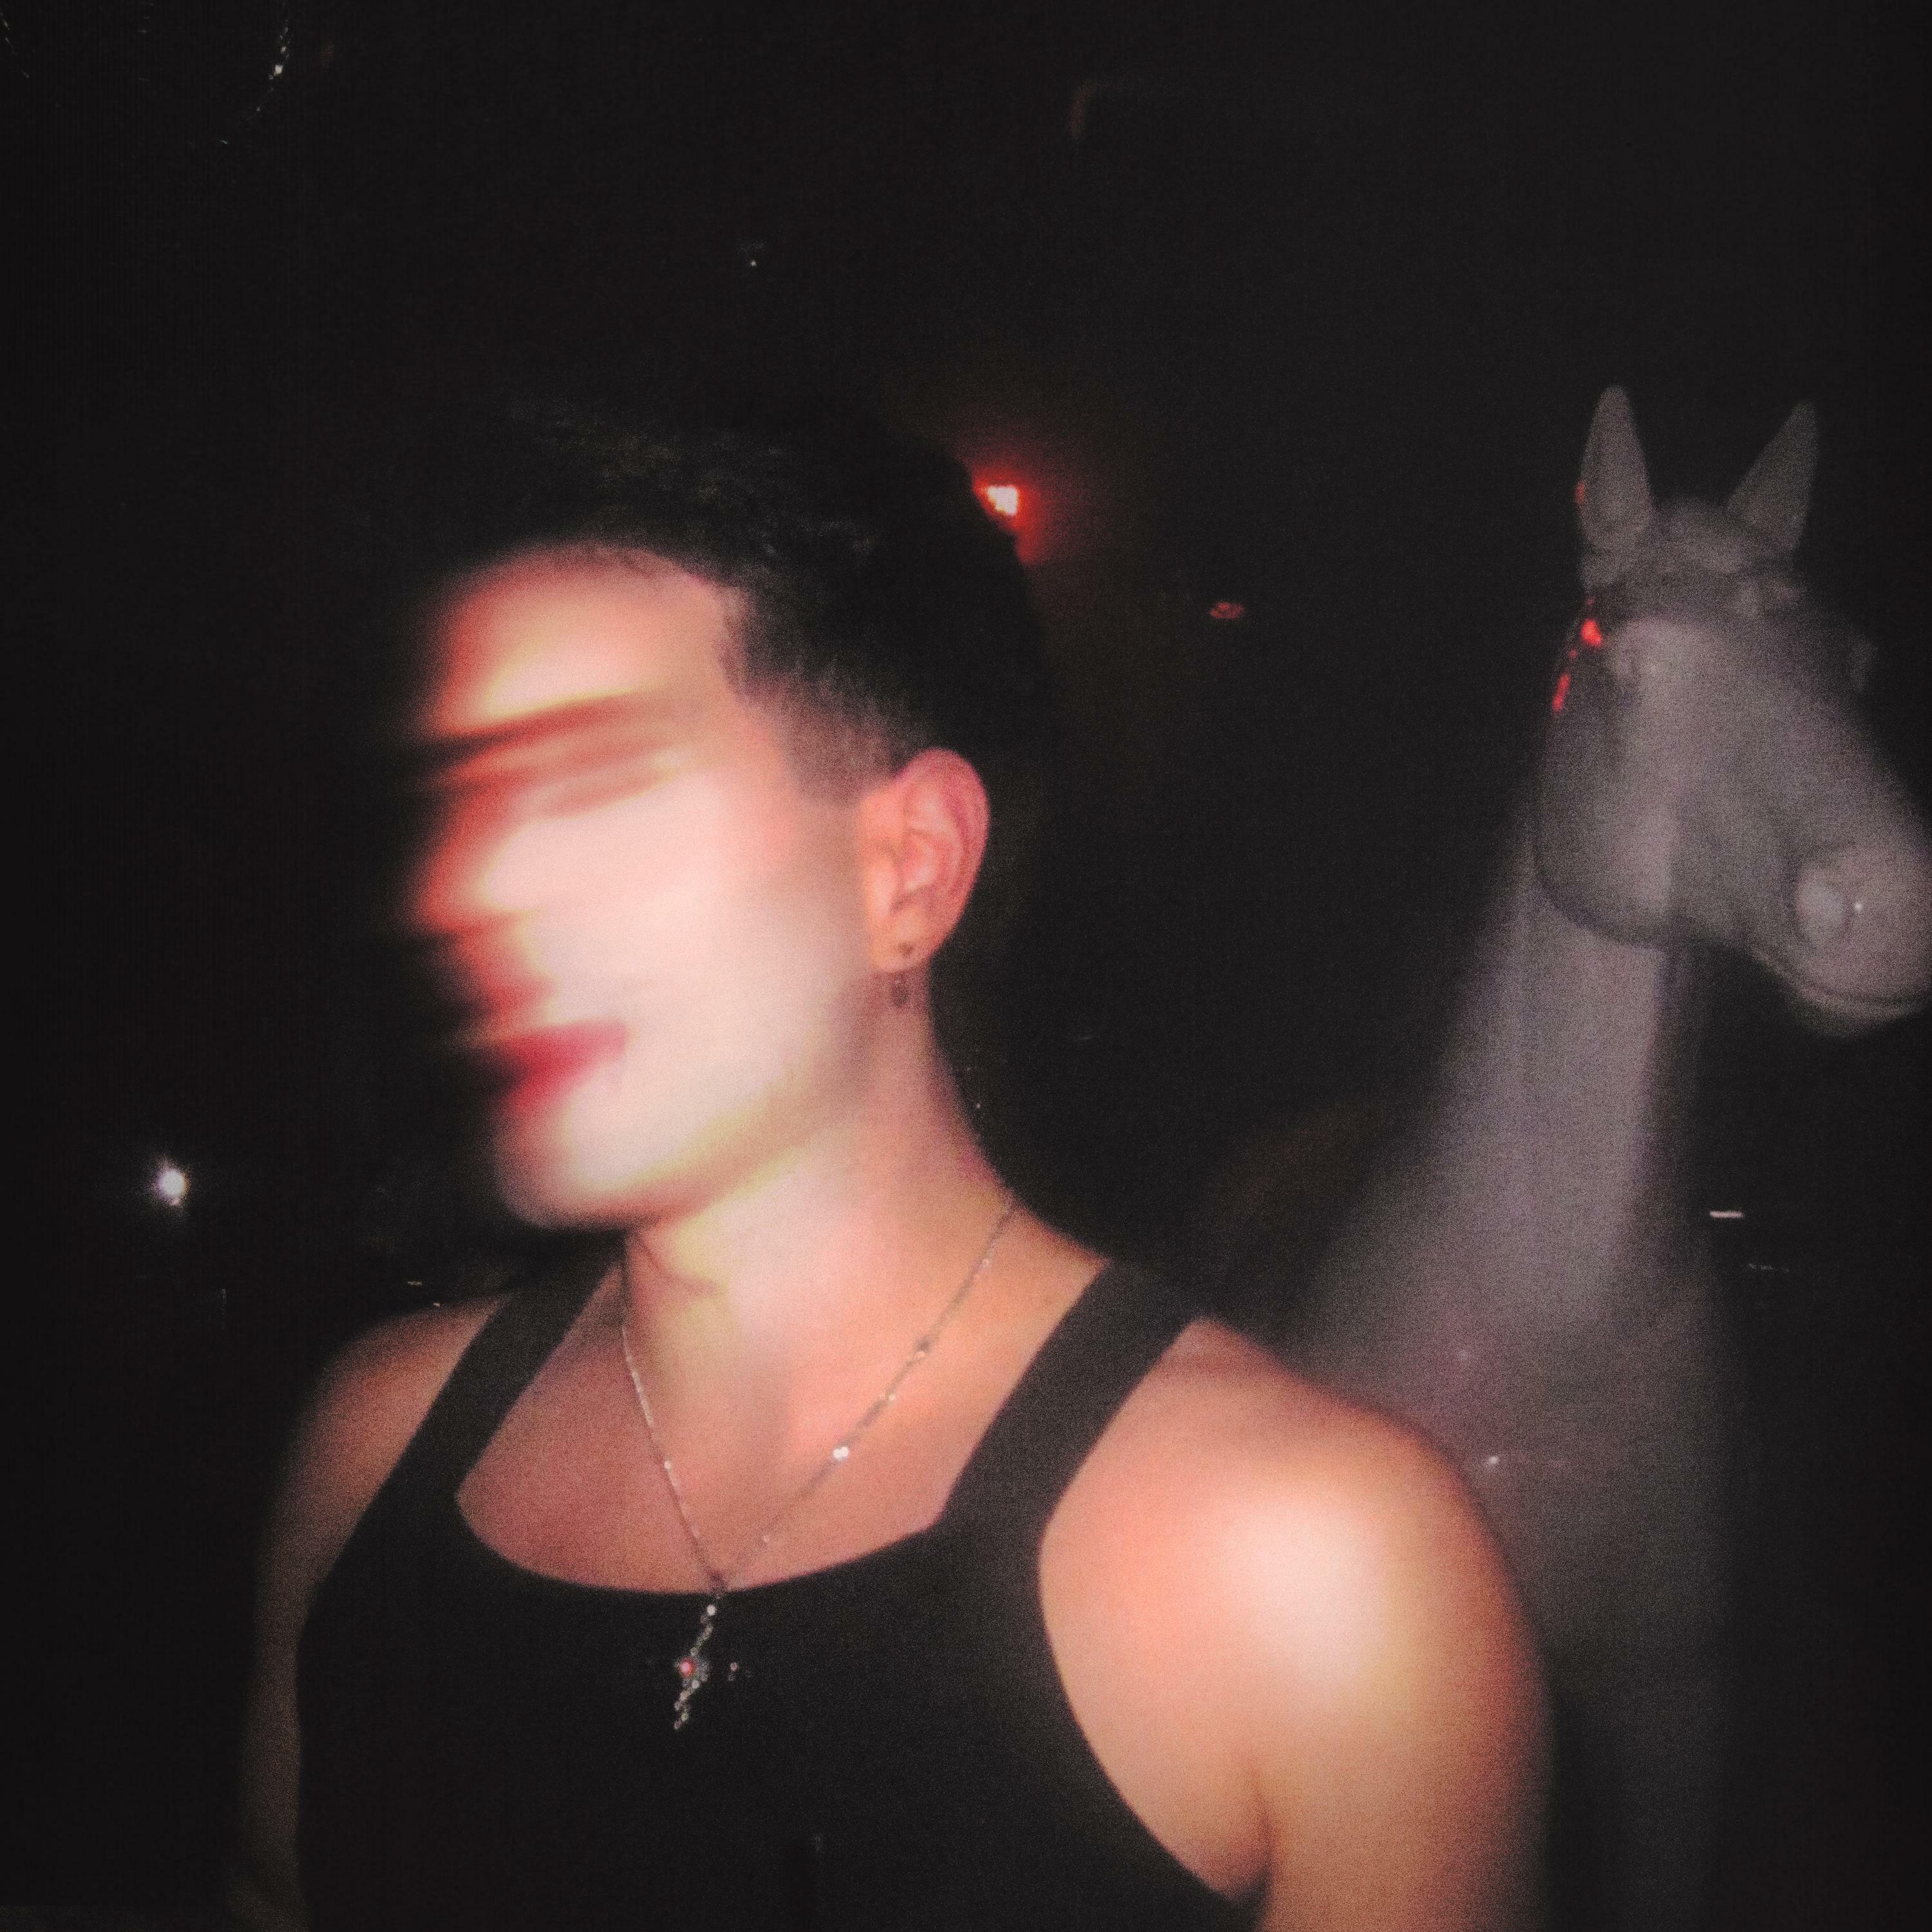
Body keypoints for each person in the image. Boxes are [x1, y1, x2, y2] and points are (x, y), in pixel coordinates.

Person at [229, 383, 1548, 1930]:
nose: (467, 888)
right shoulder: (371, 1445)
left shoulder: (1317, 1574)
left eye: (597, 781)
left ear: (909, 871)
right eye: (465, 799)